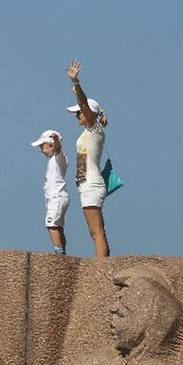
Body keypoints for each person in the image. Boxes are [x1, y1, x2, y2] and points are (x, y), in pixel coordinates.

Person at [66, 60, 111, 257]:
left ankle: (101, 270)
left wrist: (76, 84)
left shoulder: (95, 129)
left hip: (92, 183)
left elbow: (84, 104)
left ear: (89, 114)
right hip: (86, 184)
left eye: (79, 114)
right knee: (94, 232)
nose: (77, 116)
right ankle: (101, 267)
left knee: (97, 232)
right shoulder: (89, 131)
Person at [32, 129, 69, 254]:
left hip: (56, 197)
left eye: (43, 146)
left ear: (51, 145)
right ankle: (62, 250)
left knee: (51, 224)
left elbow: (58, 147)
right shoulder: (53, 160)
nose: (41, 150)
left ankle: (59, 251)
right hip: (55, 197)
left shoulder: (59, 157)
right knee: (58, 227)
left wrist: (56, 140)